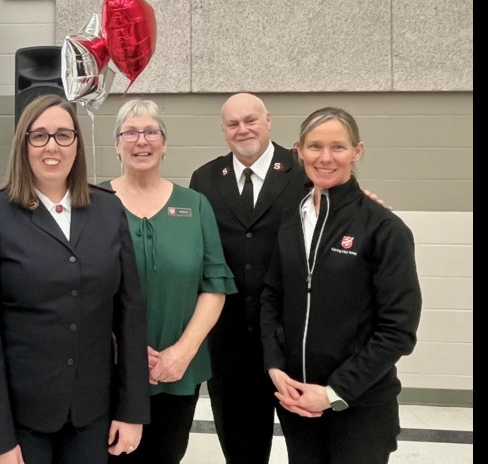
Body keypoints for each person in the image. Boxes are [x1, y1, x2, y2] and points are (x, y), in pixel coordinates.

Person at [0, 95, 150, 464]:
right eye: (40, 136)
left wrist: (132, 410)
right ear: (24, 144)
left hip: (92, 414)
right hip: (21, 420)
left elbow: (130, 314)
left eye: (64, 135)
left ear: (77, 144)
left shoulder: (108, 209)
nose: (53, 146)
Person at [259, 107, 422, 463]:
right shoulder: (291, 220)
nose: (326, 157)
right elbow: (272, 296)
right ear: (298, 151)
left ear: (357, 152)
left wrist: (334, 392)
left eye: (338, 147)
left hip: (360, 407)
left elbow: (398, 331)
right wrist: (275, 366)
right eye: (315, 146)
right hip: (297, 401)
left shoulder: (384, 229)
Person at [99, 99, 237, 464]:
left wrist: (183, 351)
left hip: (178, 371)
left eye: (151, 132)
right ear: (116, 144)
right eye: (130, 132)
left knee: (166, 455)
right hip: (107, 371)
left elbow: (215, 284)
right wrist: (120, 348)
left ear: (165, 143)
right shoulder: (93, 202)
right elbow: (79, 287)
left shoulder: (195, 206)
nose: (141, 140)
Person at [188, 92, 307, 464]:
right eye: (233, 124)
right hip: (229, 345)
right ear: (223, 130)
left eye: (250, 120)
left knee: (307, 447)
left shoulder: (302, 172)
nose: (243, 130)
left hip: (294, 341)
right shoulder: (205, 179)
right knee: (242, 450)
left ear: (268, 120)